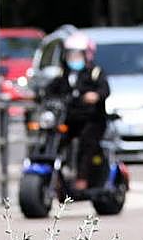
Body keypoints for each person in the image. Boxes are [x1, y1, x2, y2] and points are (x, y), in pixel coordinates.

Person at [40, 32, 110, 191]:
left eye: (77, 54)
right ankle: (56, 176)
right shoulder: (63, 74)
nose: (73, 58)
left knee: (86, 143)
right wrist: (40, 95)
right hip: (70, 119)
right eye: (70, 54)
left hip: (92, 120)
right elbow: (50, 90)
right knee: (54, 139)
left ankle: (82, 178)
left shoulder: (95, 73)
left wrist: (95, 95)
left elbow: (105, 90)